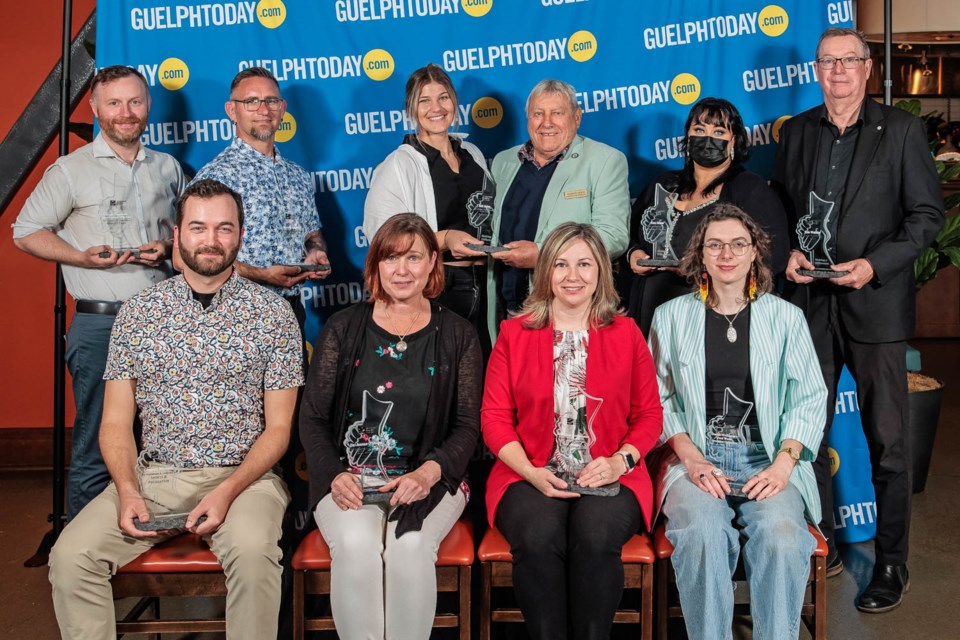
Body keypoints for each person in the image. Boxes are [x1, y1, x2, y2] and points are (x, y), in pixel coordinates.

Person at [47, 179, 304, 640]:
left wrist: (227, 491)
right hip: (153, 478)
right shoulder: (138, 312)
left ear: (240, 235)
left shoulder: (273, 314)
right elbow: (114, 424)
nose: (211, 240)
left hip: (245, 480)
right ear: (178, 234)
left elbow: (279, 429)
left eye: (224, 228)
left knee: (252, 553)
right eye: (199, 227)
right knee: (70, 558)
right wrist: (127, 490)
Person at [773, 27, 944, 611]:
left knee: (889, 444)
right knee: (805, 434)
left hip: (876, 306)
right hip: (810, 308)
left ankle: (892, 563)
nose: (839, 71)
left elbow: (927, 217)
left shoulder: (900, 129)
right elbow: (779, 209)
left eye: (850, 60)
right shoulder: (795, 132)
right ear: (815, 71)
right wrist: (784, 253)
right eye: (828, 62)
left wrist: (874, 265)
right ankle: (825, 544)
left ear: (867, 69)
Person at [12, 65, 185, 519]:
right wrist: (82, 257)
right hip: (101, 324)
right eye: (114, 103)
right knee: (96, 442)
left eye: (135, 102)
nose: (125, 113)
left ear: (148, 106)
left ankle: (151, 547)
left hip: (164, 323)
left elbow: (187, 239)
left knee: (161, 441)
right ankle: (85, 559)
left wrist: (167, 248)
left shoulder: (167, 168)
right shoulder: (70, 170)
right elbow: (26, 231)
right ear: (94, 108)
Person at [647, 205, 826, 639]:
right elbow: (656, 399)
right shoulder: (670, 316)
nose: (727, 253)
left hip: (767, 458)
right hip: (695, 456)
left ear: (754, 254)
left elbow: (810, 397)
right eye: (715, 244)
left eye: (738, 244)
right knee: (705, 534)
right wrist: (689, 457)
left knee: (783, 536)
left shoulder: (785, 317)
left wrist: (784, 464)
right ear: (701, 255)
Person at [299, 213, 481, 640]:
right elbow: (312, 418)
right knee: (359, 548)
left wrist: (428, 472)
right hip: (349, 480)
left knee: (409, 549)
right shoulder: (344, 328)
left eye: (414, 257)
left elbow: (468, 425)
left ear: (433, 263)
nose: (402, 270)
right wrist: (335, 474)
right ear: (376, 264)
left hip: (429, 481)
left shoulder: (457, 334)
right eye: (391, 258)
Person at [482, 222, 662, 640]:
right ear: (545, 271)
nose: (572, 275)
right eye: (561, 264)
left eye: (584, 264)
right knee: (538, 535)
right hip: (527, 470)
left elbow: (650, 415)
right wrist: (528, 471)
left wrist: (621, 460)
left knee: (595, 536)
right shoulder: (513, 334)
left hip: (610, 470)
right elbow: (493, 417)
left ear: (601, 271)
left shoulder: (628, 334)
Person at [625, 97, 789, 336]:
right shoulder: (663, 184)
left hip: (715, 317)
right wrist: (633, 254)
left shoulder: (749, 189)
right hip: (651, 313)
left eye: (719, 131)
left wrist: (703, 269)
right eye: (699, 129)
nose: (708, 137)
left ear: (733, 140)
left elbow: (775, 256)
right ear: (688, 137)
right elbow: (627, 236)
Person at [364, 63, 495, 353]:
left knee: (484, 375)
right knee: (441, 376)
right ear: (411, 109)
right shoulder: (399, 164)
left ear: (455, 102)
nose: (436, 107)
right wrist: (445, 237)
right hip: (438, 285)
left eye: (443, 97)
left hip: (487, 284)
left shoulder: (472, 153)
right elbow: (384, 241)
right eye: (424, 100)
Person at [486, 79, 630, 342]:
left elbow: (613, 236)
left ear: (576, 117)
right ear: (528, 118)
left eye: (557, 113)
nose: (547, 123)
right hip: (510, 314)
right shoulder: (503, 162)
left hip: (573, 316)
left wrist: (543, 254)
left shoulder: (605, 161)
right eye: (538, 114)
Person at [193, 66, 330, 329]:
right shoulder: (216, 177)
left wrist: (315, 253)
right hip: (235, 314)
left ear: (282, 107)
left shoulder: (297, 175)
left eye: (271, 101)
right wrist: (263, 276)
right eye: (251, 101)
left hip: (292, 313)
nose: (264, 110)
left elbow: (312, 234)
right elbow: (190, 257)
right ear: (232, 111)